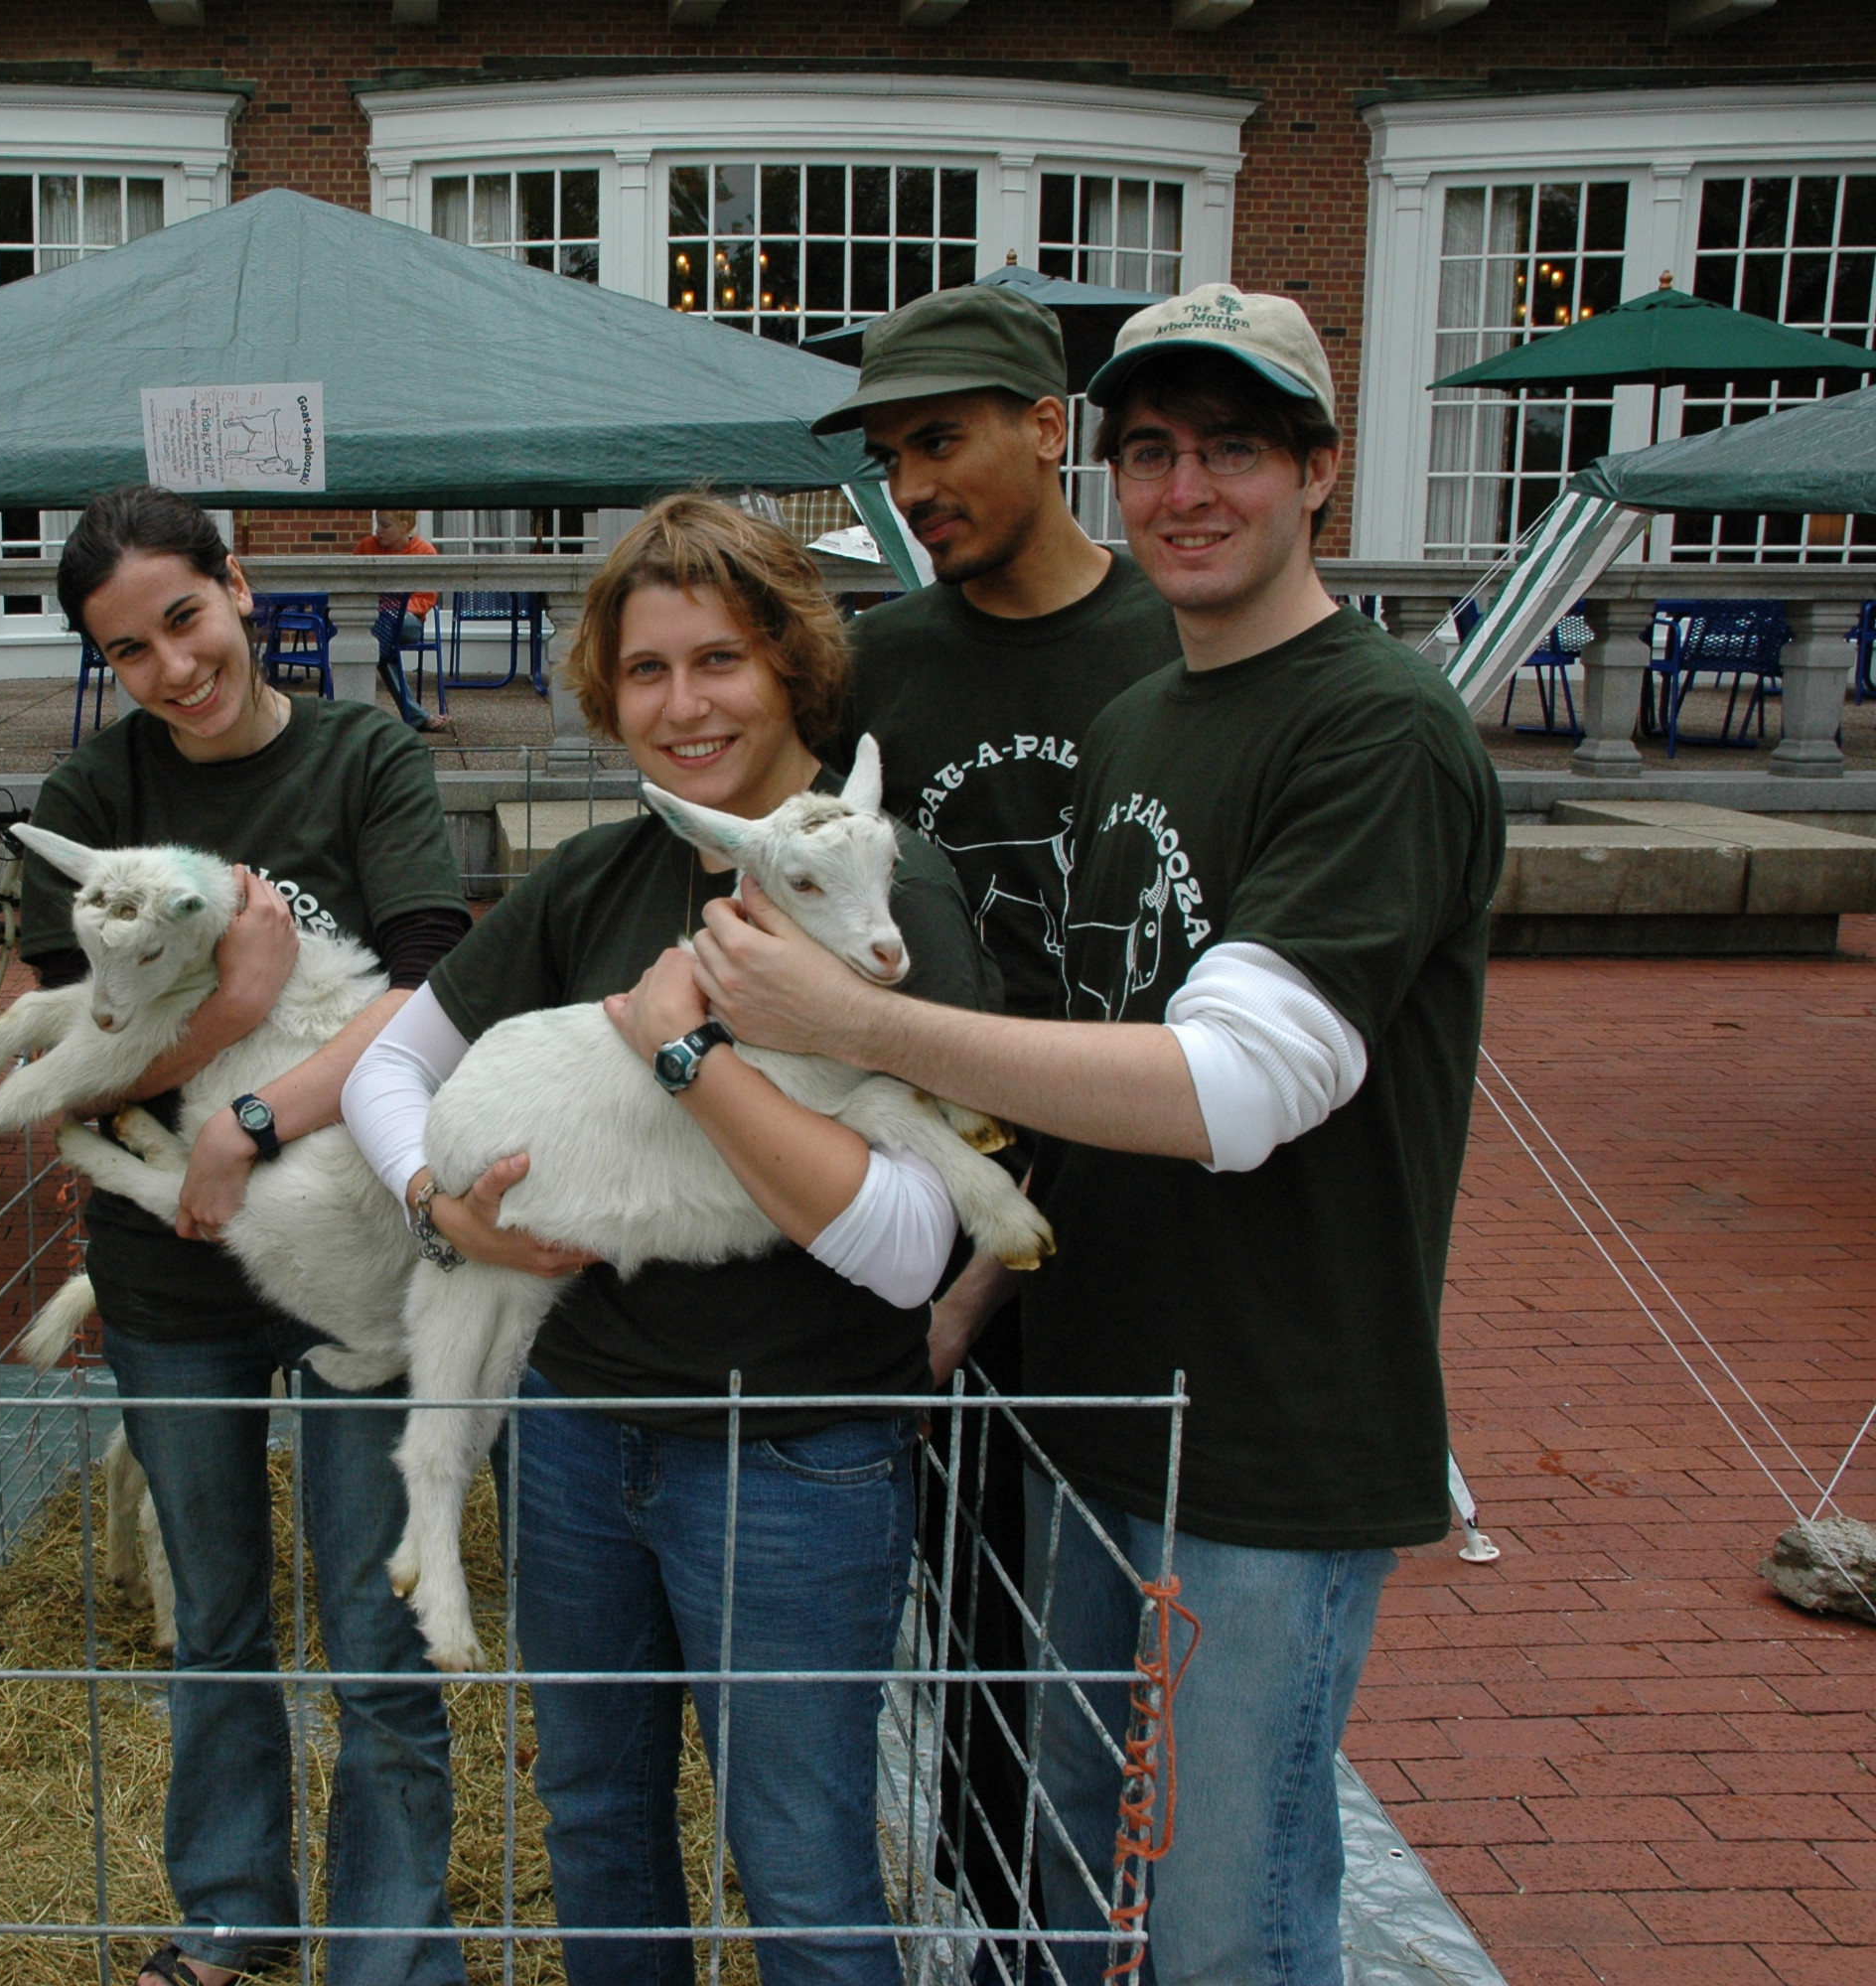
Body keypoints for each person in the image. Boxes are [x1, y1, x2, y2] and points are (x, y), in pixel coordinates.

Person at [690, 286, 1504, 1986]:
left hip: (1267, 1424)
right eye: (1154, 453)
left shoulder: (1378, 725)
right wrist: (980, 1287)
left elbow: (1235, 1086)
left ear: (1318, 471)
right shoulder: (1145, 719)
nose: (1185, 491)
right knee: (1050, 1842)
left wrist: (860, 1027)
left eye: (1232, 451)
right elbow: (1083, 1045)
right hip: (1086, 1388)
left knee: (1223, 1914)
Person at [343, 493, 1000, 1986]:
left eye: (720, 660)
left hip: (793, 1452)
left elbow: (912, 1250)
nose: (684, 705)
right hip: (576, 1431)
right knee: (595, 1817)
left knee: (803, 1864)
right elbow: (392, 1065)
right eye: (646, 670)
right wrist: (437, 1206)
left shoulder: (885, 891)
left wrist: (683, 1057)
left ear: (790, 666)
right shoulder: (599, 875)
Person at [21, 485, 475, 1986]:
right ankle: (231, 1910)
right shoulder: (92, 798)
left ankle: (390, 1949)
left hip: (356, 1254)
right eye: (127, 649)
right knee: (214, 1618)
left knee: (374, 1624)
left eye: (184, 617)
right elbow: (71, 1064)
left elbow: (431, 990)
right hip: (174, 1274)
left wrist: (254, 1115)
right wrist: (230, 1010)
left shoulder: (363, 757)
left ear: (236, 582)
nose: (172, 667)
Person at [809, 281, 1181, 1967]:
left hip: (1147, 1220)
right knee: (974, 1612)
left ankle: (1096, 1925)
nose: (911, 487)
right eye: (889, 456)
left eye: (939, 441)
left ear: (1049, 426)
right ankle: (989, 1924)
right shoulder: (879, 667)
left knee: (1119, 1631)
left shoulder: (1177, 641)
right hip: (944, 1206)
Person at [354, 508, 453, 733]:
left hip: (408, 621)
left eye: (385, 525)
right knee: (380, 643)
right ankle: (416, 716)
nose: (378, 531)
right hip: (373, 622)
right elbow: (353, 585)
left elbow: (425, 598)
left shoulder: (424, 552)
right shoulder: (366, 547)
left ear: (404, 526)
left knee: (377, 638)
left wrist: (394, 609)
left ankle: (356, 711)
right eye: (378, 524)